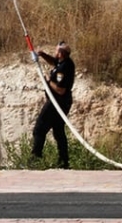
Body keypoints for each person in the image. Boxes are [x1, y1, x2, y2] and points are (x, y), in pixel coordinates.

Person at [30, 41, 75, 169]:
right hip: (62, 102)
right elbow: (54, 62)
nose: (55, 53)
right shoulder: (63, 62)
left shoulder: (64, 68)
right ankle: (63, 162)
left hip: (57, 102)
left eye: (56, 51)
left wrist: (47, 81)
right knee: (58, 131)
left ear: (61, 53)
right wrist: (42, 54)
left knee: (39, 128)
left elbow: (61, 90)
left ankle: (35, 159)